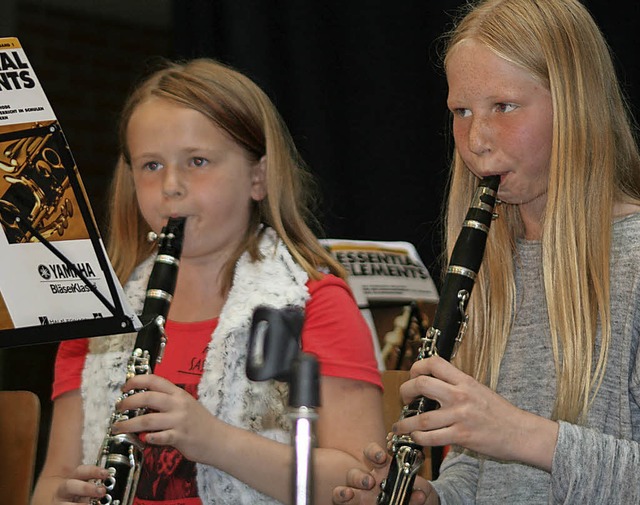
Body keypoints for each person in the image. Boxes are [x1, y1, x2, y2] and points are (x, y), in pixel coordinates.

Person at [30, 58, 386, 505]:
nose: (172, 186)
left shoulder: (314, 304)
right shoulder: (103, 315)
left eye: (197, 161)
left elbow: (364, 485)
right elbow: (52, 480)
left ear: (258, 177)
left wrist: (213, 440)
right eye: (151, 165)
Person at [333, 0, 640, 503]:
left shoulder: (633, 261)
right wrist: (434, 497)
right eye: (461, 111)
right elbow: (483, 471)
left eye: (504, 106)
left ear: (575, 103)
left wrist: (520, 433)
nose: (475, 139)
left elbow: (515, 441)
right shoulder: (491, 266)